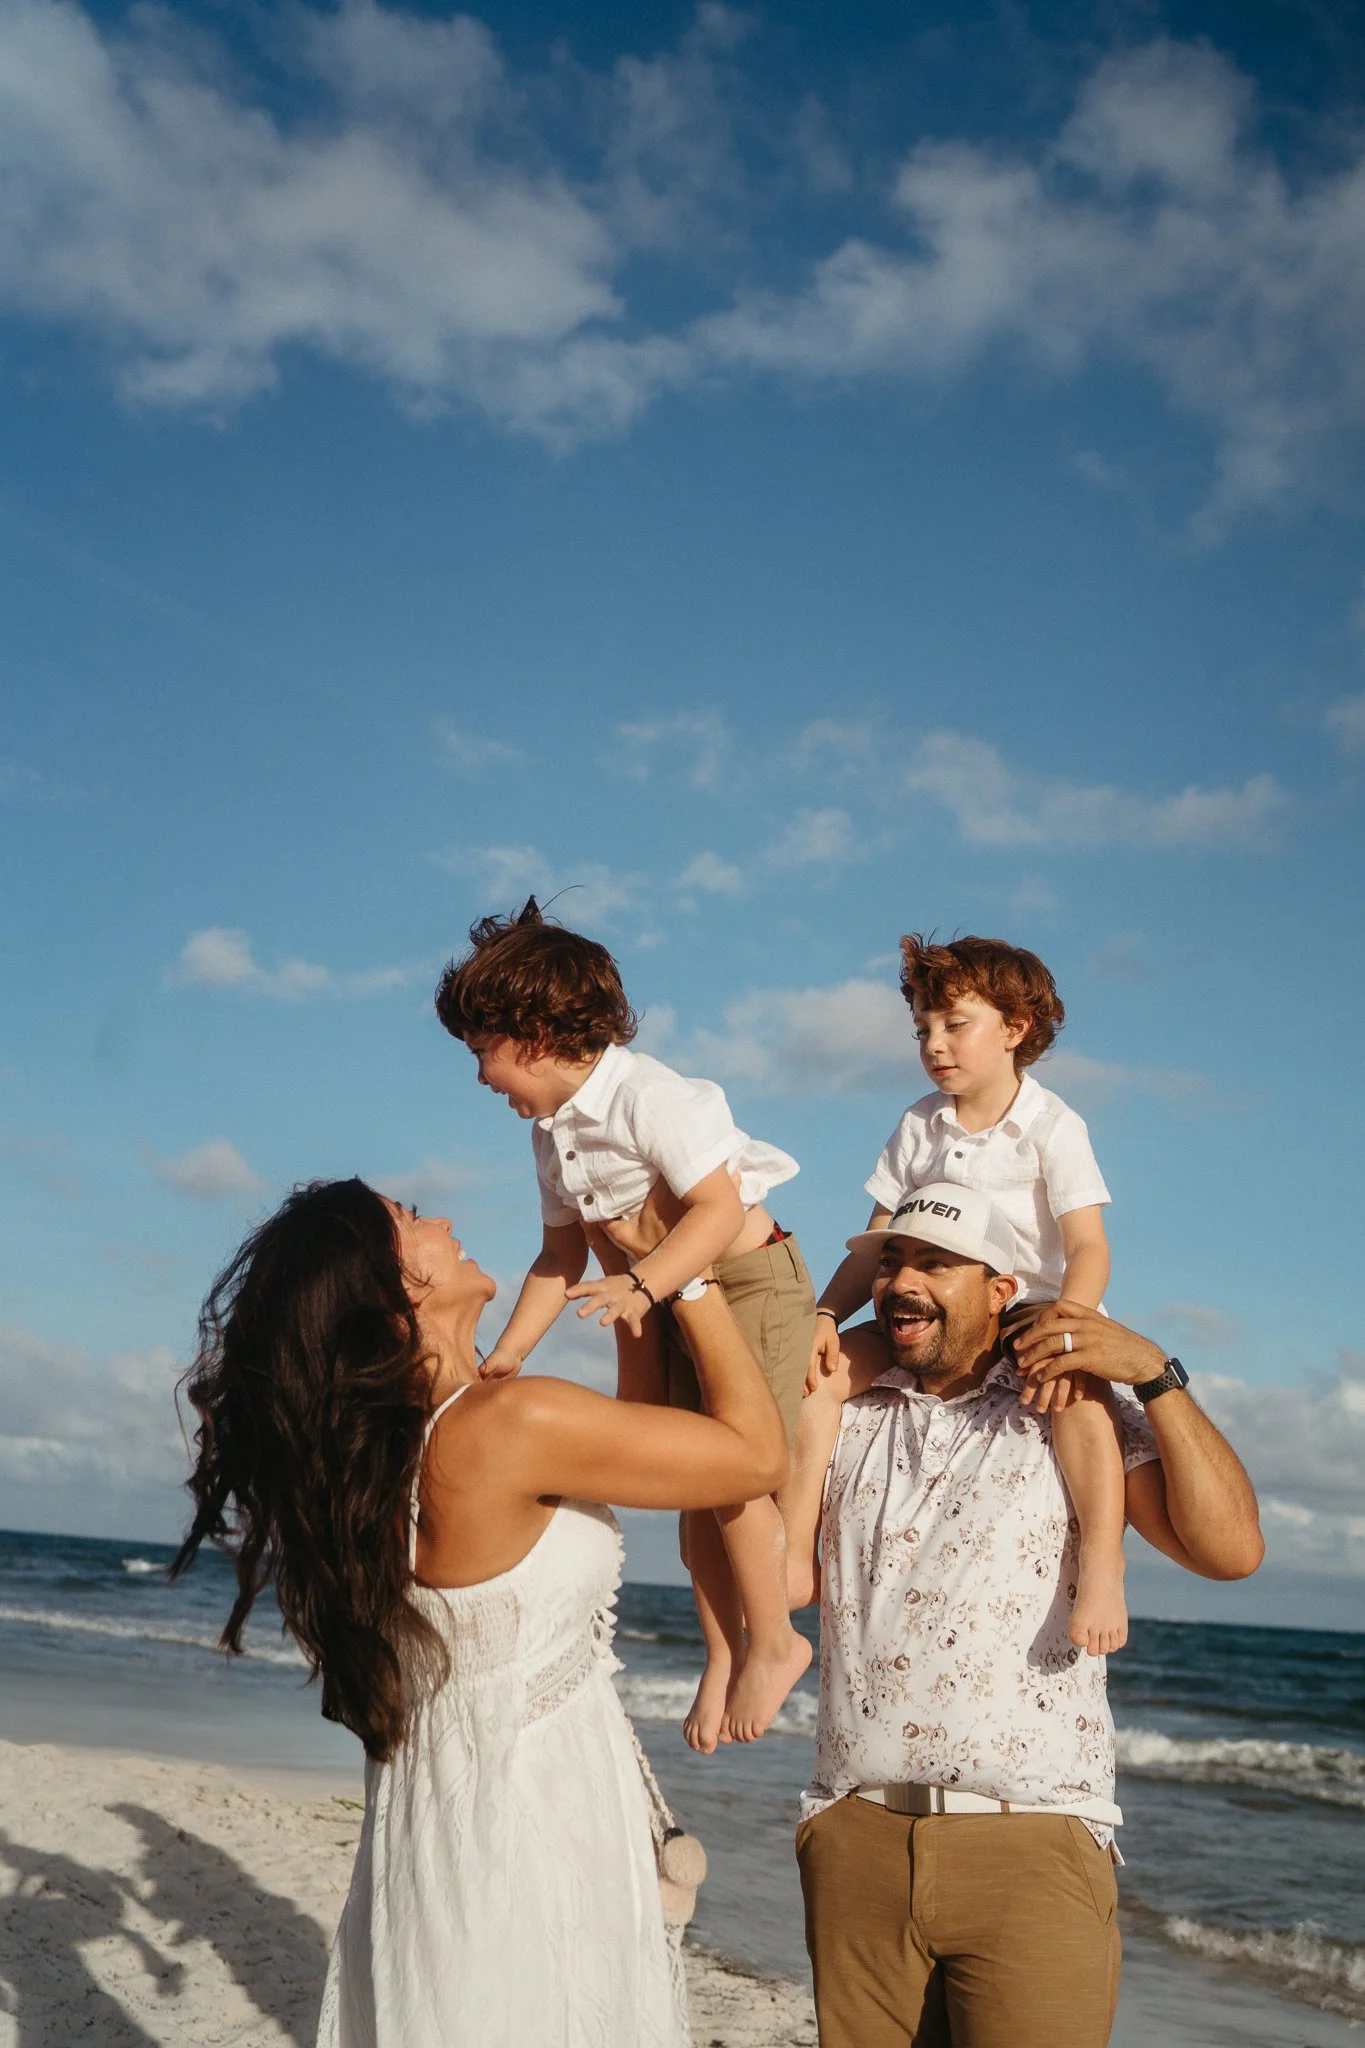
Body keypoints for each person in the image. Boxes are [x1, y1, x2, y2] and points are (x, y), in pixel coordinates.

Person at [171, 1176, 787, 2048]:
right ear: (391, 1296)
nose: (445, 1221)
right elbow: (753, 1456)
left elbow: (643, 1442)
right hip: (531, 1826)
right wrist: (689, 1275)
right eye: (412, 1221)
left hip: (443, 1823)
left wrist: (634, 1269)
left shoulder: (396, 1456)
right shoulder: (507, 1422)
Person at [785, 1187, 1263, 2048]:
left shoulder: (1066, 1405)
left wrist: (1154, 1375)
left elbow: (1228, 1552)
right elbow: (769, 1554)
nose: (901, 1280)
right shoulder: (843, 1408)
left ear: (999, 1290)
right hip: (853, 1834)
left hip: (1031, 1837)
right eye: (891, 1260)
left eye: (935, 1263)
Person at [433, 900, 815, 1750]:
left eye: (482, 1054)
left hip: (748, 1284)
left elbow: (715, 1211)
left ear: (532, 1032)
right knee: (689, 1481)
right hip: (652, 1295)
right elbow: (557, 1256)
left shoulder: (652, 1097)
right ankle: (723, 1652)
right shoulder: (550, 1135)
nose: (481, 1078)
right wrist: (509, 1353)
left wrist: (644, 1283)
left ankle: (779, 1641)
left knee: (735, 1477)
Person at [810, 932, 1127, 1655]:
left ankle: (1105, 1563)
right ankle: (800, 1545)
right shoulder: (918, 1124)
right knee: (817, 1378)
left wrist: (1068, 1329)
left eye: (955, 1024)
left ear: (1014, 1029)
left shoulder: (1051, 1124)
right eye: (922, 1027)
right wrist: (826, 1315)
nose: (934, 1043)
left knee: (1075, 1392)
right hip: (931, 1304)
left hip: (1031, 1304)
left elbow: (1087, 1247)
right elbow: (875, 1240)